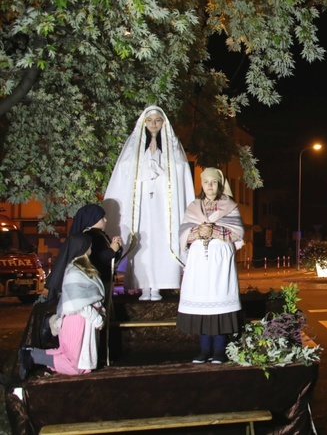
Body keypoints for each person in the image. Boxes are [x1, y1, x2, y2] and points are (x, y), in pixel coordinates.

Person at [103, 106, 195, 301]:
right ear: (144, 123)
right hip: (141, 206)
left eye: (157, 120)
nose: (154, 124)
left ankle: (159, 287)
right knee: (142, 243)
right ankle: (144, 287)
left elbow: (181, 171)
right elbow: (124, 171)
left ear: (163, 123)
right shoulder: (134, 148)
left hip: (165, 207)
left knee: (163, 242)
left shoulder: (172, 147)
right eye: (150, 120)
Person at [177, 168, 245, 364]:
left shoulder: (230, 206)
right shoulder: (193, 206)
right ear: (202, 184)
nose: (210, 186)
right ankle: (204, 350)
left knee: (219, 303)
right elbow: (183, 233)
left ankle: (219, 351)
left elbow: (238, 233)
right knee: (202, 305)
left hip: (220, 262)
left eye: (213, 182)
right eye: (206, 182)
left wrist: (214, 231)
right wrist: (198, 231)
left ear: (220, 184)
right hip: (199, 262)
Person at [19, 234, 105, 379]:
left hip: (82, 321)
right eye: (89, 244)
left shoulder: (82, 269)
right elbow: (78, 304)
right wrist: (96, 318)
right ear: (82, 247)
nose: (91, 247)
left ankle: (31, 353)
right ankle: (33, 356)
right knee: (74, 366)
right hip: (76, 320)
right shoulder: (74, 272)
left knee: (79, 364)